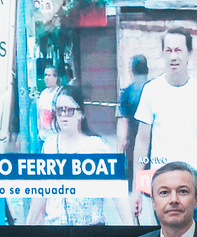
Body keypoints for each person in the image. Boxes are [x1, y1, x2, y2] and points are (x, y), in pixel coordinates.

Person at [130, 27, 197, 226]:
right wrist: (136, 189)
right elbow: (142, 143)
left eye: (178, 50)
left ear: (189, 53)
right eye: (168, 51)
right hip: (164, 190)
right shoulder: (151, 91)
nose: (173, 57)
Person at [26, 85, 135, 226]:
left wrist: (131, 228)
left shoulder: (97, 147)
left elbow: (117, 193)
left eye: (70, 110)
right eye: (60, 111)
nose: (64, 115)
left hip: (91, 231)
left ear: (81, 114)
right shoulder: (49, 146)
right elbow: (41, 194)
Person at [116, 55, 148, 190]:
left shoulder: (126, 93)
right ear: (147, 70)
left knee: (135, 189)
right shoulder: (155, 90)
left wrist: (119, 150)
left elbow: (123, 127)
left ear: (132, 71)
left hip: (133, 147)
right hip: (154, 148)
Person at [36, 63, 61, 144]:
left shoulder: (59, 93)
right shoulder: (43, 93)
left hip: (55, 136)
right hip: (43, 136)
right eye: (45, 75)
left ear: (55, 77)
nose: (46, 78)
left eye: (49, 75)